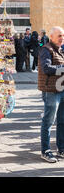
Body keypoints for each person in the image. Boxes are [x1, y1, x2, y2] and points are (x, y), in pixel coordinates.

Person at [38, 26, 64, 163]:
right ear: (51, 37)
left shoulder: (60, 50)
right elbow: (46, 68)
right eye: (59, 36)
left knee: (62, 121)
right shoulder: (46, 49)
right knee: (48, 121)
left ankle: (61, 148)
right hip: (51, 91)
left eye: (63, 36)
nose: (62, 38)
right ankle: (46, 151)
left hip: (62, 89)